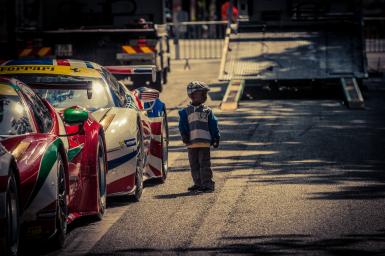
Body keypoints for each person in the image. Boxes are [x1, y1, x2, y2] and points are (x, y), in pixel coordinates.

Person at [178, 81, 220, 193]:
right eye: (201, 94)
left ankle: (207, 184)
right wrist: (184, 136)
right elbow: (182, 125)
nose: (204, 96)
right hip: (191, 143)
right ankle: (198, 183)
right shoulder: (185, 112)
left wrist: (216, 137)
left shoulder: (208, 111)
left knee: (204, 164)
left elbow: (213, 125)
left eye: (204, 94)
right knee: (194, 165)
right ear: (191, 95)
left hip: (205, 143)